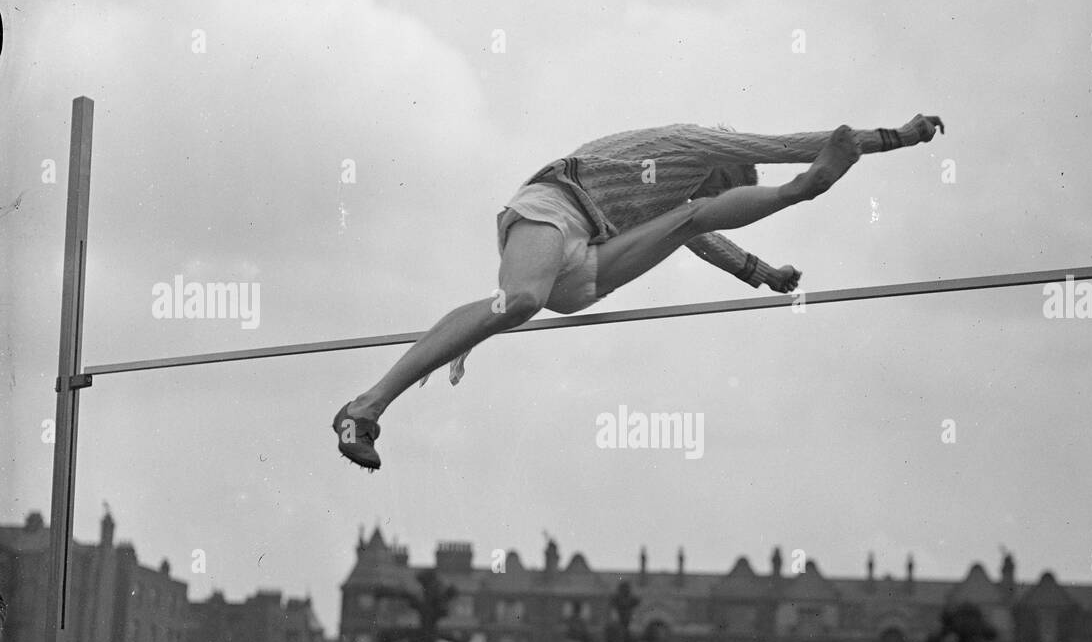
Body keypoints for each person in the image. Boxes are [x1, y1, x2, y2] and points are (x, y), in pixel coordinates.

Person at [333, 115, 945, 469]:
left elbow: (698, 229)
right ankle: (365, 408)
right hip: (554, 210)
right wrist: (896, 137)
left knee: (689, 219)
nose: (724, 191)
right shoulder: (696, 146)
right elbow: (784, 145)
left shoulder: (690, 196)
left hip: (588, 260)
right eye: (739, 186)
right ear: (727, 170)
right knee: (518, 302)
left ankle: (797, 192)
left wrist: (758, 272)